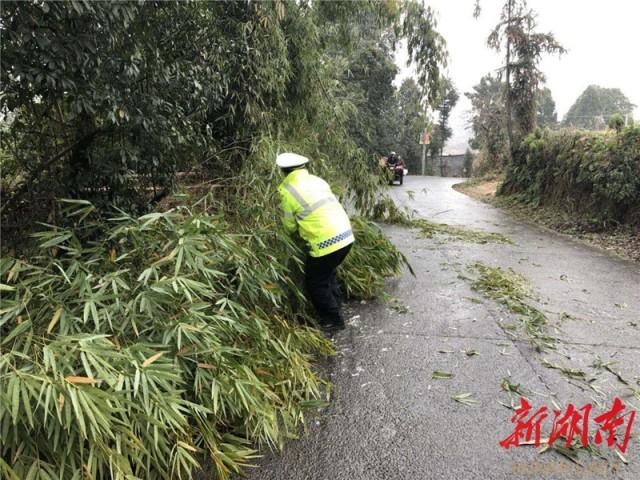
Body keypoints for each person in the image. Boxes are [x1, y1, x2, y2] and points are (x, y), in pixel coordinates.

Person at [276, 152, 354, 331]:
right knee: (328, 272)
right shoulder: (318, 181)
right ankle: (337, 306)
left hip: (326, 241)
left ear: (283, 172)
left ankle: (333, 320)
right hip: (346, 235)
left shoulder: (287, 191)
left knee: (315, 281)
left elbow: (288, 226)